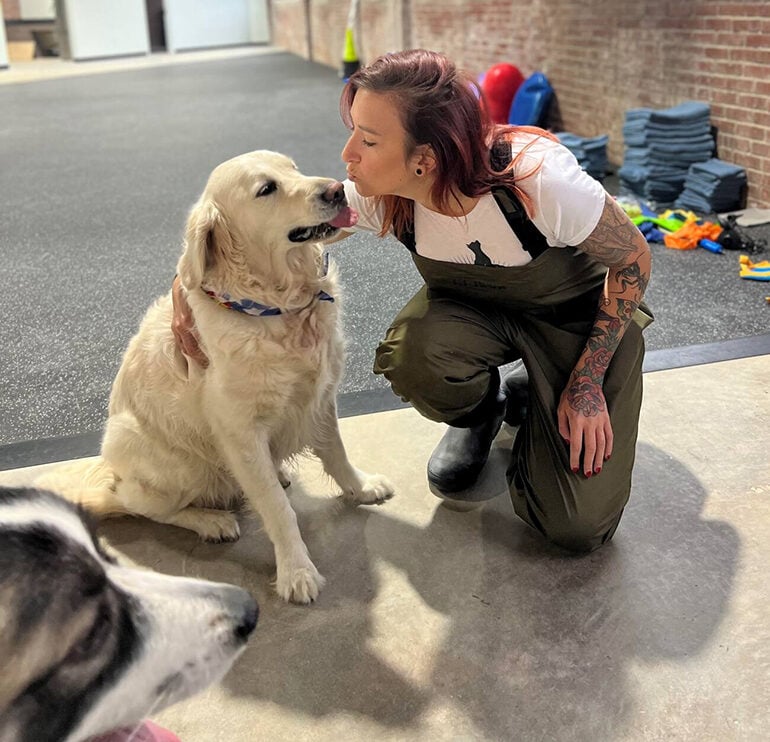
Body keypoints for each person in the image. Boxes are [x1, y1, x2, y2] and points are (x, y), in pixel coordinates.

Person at [173, 49, 652, 553]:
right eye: (353, 129)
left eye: (369, 139)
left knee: (574, 528)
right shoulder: (380, 192)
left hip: (577, 324)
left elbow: (634, 259)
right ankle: (483, 412)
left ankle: (546, 393)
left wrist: (585, 382)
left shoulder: (539, 180)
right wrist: (188, 290)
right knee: (413, 354)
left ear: (424, 160)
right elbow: (243, 226)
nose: (347, 154)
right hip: (479, 316)